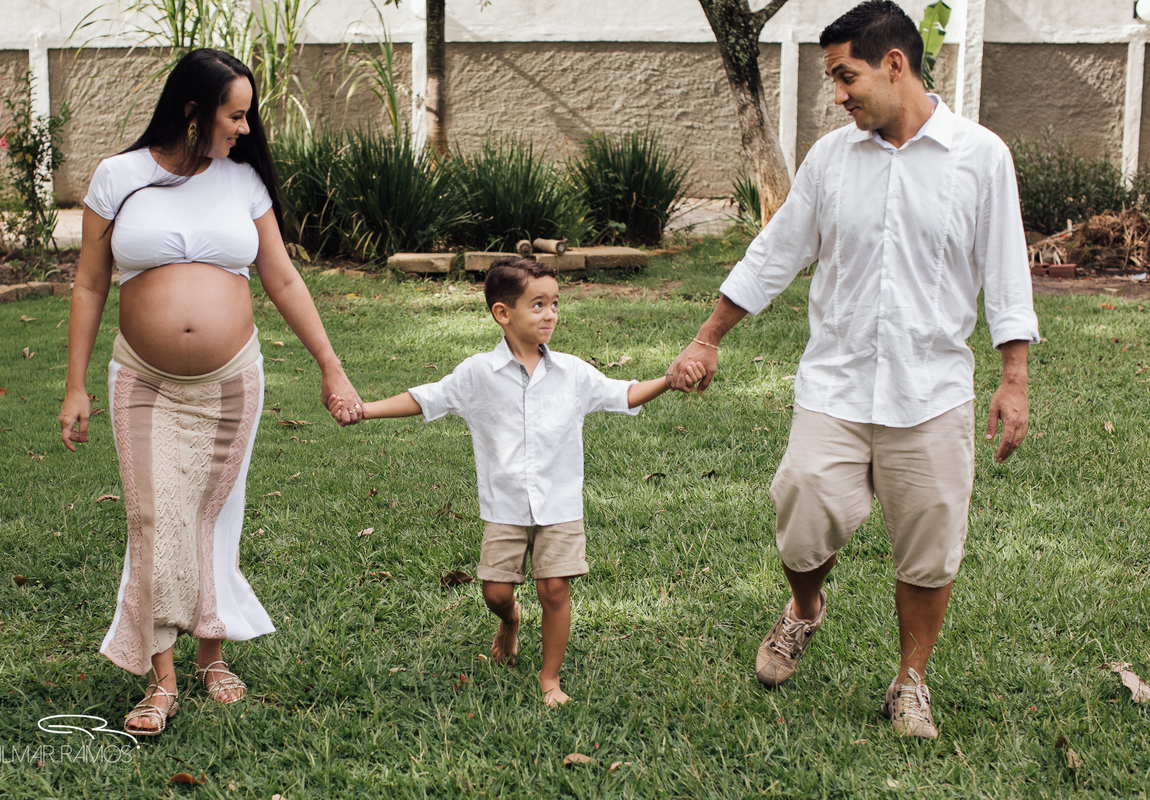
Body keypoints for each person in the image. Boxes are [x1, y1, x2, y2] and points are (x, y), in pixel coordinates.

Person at [666, 0, 1039, 739]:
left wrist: (1014, 377)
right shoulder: (831, 160)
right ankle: (805, 608)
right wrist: (707, 337)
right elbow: (774, 254)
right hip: (835, 384)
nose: (837, 94)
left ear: (894, 64)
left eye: (846, 76)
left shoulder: (980, 156)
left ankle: (910, 682)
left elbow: (1005, 272)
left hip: (930, 390)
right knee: (801, 508)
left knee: (929, 545)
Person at [58, 49, 363, 737]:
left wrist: (331, 366)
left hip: (230, 382)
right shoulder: (118, 178)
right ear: (193, 111)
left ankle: (212, 653)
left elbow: (282, 279)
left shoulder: (242, 182)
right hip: (142, 379)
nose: (245, 128)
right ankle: (160, 679)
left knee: (214, 516)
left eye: (247, 115)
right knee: (153, 517)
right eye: (235, 115)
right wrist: (75, 385)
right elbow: (90, 284)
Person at [331, 257, 704, 706]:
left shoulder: (572, 373)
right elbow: (425, 399)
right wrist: (365, 410)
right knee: (495, 591)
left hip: (559, 505)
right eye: (538, 304)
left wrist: (667, 380)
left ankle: (550, 679)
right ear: (502, 313)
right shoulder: (477, 374)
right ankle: (510, 620)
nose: (551, 314)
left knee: (554, 589)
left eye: (555, 304)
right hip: (504, 505)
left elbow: (622, 394)